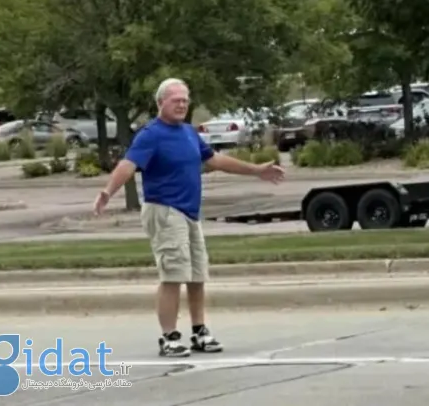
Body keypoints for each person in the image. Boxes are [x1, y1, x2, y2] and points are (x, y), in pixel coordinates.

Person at [93, 78, 285, 357]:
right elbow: (128, 164)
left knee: (196, 275)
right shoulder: (150, 134)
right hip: (164, 210)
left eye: (185, 99)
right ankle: (169, 337)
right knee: (172, 274)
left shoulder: (188, 132)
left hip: (189, 212)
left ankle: (199, 332)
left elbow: (215, 160)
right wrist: (108, 192)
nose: (182, 104)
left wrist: (256, 170)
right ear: (161, 103)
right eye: (176, 100)